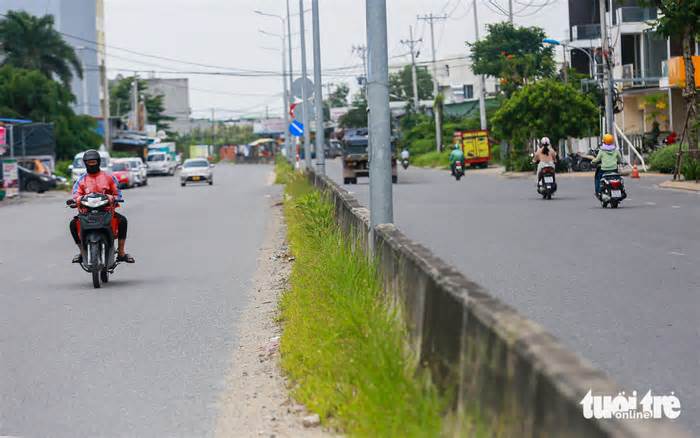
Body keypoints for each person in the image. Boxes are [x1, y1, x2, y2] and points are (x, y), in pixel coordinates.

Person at [69, 150, 135, 264]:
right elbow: (76, 194)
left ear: (98, 162)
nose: (92, 165)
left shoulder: (109, 177)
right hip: (87, 213)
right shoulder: (81, 180)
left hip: (106, 211)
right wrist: (75, 200)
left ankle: (121, 253)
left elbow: (117, 193)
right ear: (85, 163)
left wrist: (113, 198)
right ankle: (82, 252)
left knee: (122, 221)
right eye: (89, 162)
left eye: (94, 162)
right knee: (73, 224)